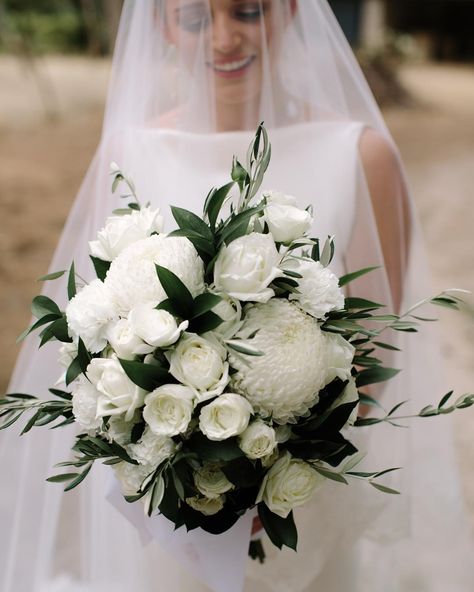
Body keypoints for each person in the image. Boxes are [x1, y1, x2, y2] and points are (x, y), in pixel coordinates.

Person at [0, 1, 472, 591]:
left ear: (292, 10)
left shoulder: (361, 155)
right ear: (164, 25)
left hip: (304, 502)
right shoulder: (130, 152)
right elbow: (100, 336)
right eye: (196, 19)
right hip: (173, 518)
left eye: (248, 12)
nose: (224, 39)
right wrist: (193, 481)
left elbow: (375, 349)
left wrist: (275, 471)